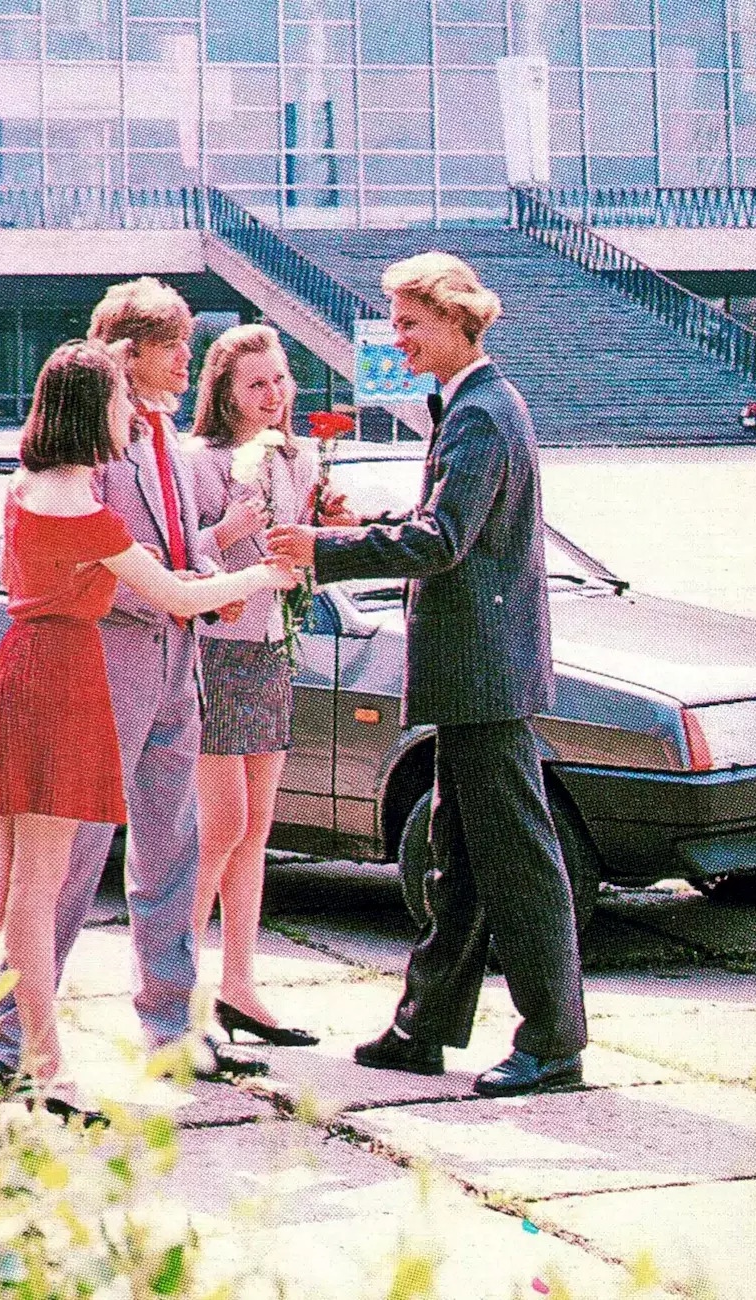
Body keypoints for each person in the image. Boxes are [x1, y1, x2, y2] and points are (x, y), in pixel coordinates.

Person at [0, 338, 295, 1101]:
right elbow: (179, 597)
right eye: (120, 404)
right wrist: (267, 572)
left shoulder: (26, 487)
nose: (131, 418)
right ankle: (40, 1066)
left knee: (3, 884)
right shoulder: (87, 512)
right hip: (65, 685)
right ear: (94, 412)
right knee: (35, 890)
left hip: (18, 676)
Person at [266, 252, 589, 1098]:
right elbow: (446, 524)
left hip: (484, 680)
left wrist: (321, 551)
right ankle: (422, 1030)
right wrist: (366, 521)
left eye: (409, 322)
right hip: (473, 678)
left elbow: (443, 543)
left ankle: (554, 1043)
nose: (397, 338)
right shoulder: (473, 407)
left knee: (517, 864)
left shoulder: (483, 413)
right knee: (458, 861)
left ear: (454, 319)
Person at [0, 276, 271, 1083]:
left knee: (173, 848)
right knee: (67, 860)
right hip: (103, 662)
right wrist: (197, 589)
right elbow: (99, 555)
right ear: (127, 353)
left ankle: (172, 1028)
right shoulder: (95, 442)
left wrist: (219, 566)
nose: (189, 358)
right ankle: (8, 1042)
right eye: (173, 345)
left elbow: (181, 551)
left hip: (178, 656)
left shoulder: (165, 439)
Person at [182, 324, 319, 1048]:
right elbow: (180, 556)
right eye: (256, 384)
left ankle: (239, 985)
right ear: (226, 395)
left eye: (279, 379)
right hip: (214, 653)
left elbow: (297, 557)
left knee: (256, 831)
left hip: (271, 649)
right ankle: (178, 990)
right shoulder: (198, 460)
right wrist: (230, 529)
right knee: (221, 827)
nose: (273, 395)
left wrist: (323, 535)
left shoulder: (297, 458)